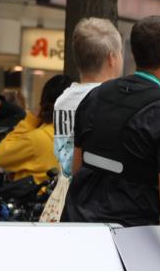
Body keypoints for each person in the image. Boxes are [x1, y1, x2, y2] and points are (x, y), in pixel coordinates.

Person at [62, 15, 160, 271]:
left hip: (78, 228)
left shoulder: (95, 96)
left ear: (133, 52)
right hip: (130, 240)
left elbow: (77, 166)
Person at [53, 18, 124, 178]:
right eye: (120, 52)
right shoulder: (114, 99)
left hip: (69, 187)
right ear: (111, 58)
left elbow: (63, 154)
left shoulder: (62, 100)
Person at [0, 74, 73, 184]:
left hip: (37, 195)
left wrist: (30, 120)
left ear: (43, 103)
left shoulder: (38, 138)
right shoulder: (79, 137)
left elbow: (1, 157)